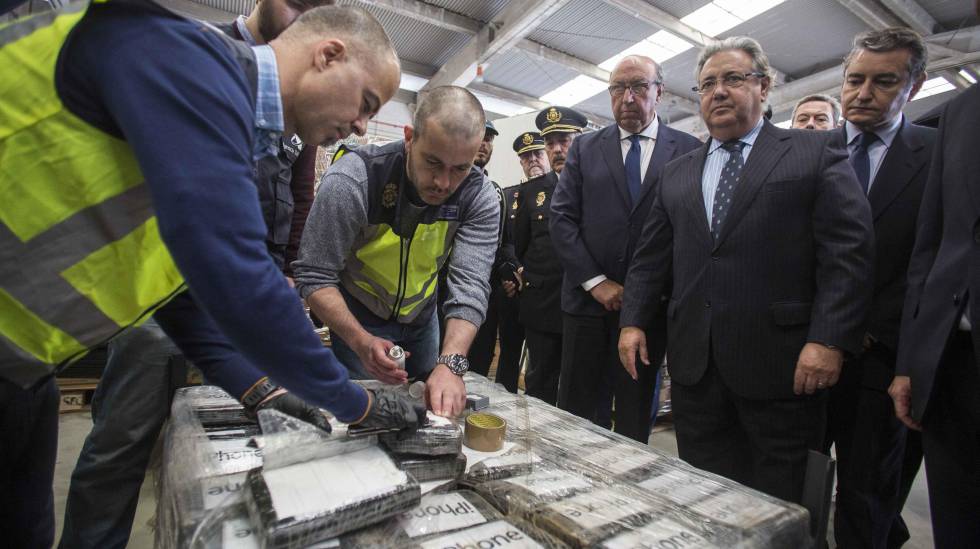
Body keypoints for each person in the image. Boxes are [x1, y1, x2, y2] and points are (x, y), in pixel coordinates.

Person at [0, 3, 424, 547]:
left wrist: (264, 391)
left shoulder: (235, 124)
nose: (363, 126)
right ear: (328, 55)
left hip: (23, 373)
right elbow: (236, 275)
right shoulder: (192, 63)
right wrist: (354, 401)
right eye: (366, 102)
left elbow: (186, 297)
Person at [58, 1, 333, 547]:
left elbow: (298, 198)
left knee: (242, 443)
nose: (304, 13)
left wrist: (282, 273)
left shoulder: (303, 97)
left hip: (246, 300)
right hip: (162, 295)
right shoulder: (196, 53)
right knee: (121, 442)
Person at [618, 36, 874, 503]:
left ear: (764, 85)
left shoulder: (812, 153)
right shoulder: (677, 172)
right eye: (708, 83)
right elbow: (650, 258)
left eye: (733, 78)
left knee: (779, 499)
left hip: (783, 366)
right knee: (704, 491)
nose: (718, 91)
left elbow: (849, 253)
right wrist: (633, 320)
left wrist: (829, 338)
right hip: (697, 366)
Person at [294, 86, 500, 418]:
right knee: (365, 417)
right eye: (433, 162)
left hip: (423, 319)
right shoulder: (355, 180)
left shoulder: (479, 197)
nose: (443, 183)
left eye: (460, 168)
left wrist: (451, 363)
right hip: (358, 315)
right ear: (409, 138)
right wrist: (359, 340)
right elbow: (315, 274)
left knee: (431, 413)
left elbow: (470, 285)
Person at [820, 27, 934, 549]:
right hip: (806, 355)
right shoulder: (804, 152)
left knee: (868, 495)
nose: (863, 94)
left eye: (884, 81)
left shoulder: (937, 154)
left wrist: (869, 331)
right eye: (854, 80)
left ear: (914, 84)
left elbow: (934, 261)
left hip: (885, 361)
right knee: (798, 483)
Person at [550, 55, 701, 442]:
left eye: (638, 87)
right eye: (618, 88)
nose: (627, 97)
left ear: (659, 92)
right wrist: (596, 282)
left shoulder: (688, 150)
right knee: (579, 412)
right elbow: (562, 220)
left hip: (650, 310)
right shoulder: (584, 148)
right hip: (586, 307)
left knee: (635, 415)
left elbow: (689, 231)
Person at [890, 12, 980, 549]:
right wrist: (910, 363)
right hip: (953, 364)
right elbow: (932, 245)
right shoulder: (962, 113)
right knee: (958, 516)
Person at [501, 107, 587, 404]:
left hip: (586, 304)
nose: (557, 150)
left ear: (580, 139)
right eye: (550, 144)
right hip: (543, 305)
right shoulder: (531, 192)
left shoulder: (596, 185)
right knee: (540, 383)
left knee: (580, 387)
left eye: (564, 140)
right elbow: (521, 244)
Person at [459, 120, 504, 376]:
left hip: (483, 292)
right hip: (443, 293)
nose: (484, 144)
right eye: (480, 137)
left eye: (489, 139)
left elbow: (503, 243)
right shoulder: (445, 187)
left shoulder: (494, 193)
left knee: (479, 362)